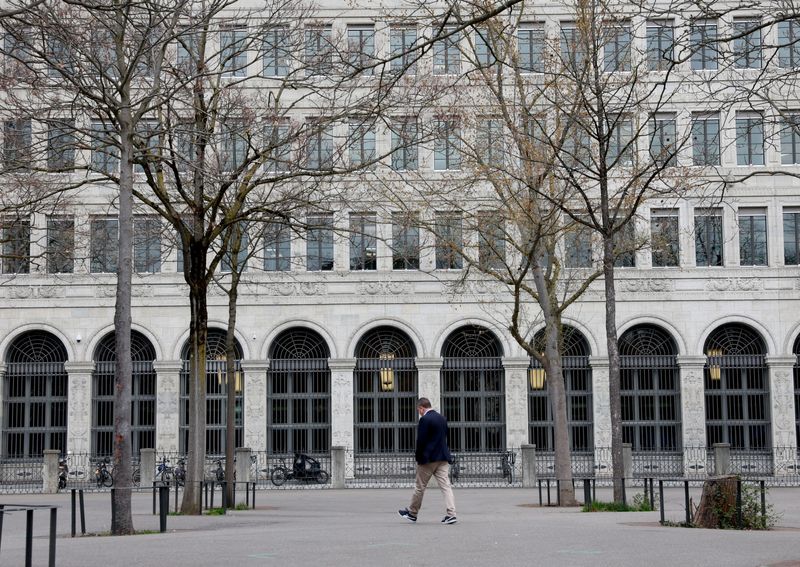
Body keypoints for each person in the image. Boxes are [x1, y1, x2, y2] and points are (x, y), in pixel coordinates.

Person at [398, 397, 457, 524]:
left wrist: (419, 458)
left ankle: (412, 513)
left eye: (418, 410)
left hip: (428, 459)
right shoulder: (442, 418)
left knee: (420, 487)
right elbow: (445, 436)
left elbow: (421, 441)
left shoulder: (425, 419)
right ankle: (451, 514)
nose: (419, 412)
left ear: (421, 408)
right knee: (446, 486)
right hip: (443, 457)